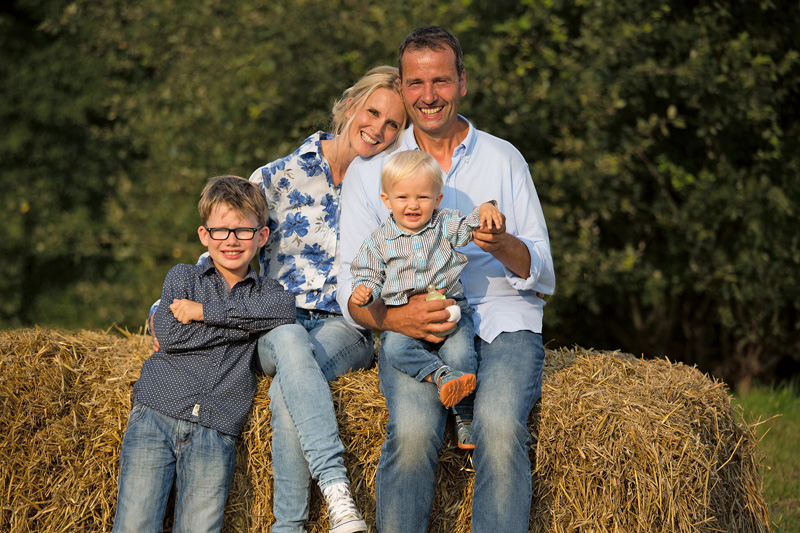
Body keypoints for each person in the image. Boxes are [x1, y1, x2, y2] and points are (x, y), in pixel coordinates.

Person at [149, 65, 406, 533]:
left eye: (394, 125)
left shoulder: (386, 187)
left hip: (344, 324)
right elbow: (228, 243)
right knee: (290, 345)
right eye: (373, 113)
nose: (380, 130)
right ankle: (334, 494)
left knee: (293, 378)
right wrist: (163, 307)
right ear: (350, 107)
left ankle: (292, 524)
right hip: (271, 322)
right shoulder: (276, 176)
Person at [337, 26, 556, 533]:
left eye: (440, 81)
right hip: (416, 323)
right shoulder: (374, 173)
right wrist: (396, 318)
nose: (428, 96)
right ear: (403, 85)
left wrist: (501, 244)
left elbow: (542, 273)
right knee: (413, 434)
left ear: (463, 82)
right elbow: (350, 287)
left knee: (500, 431)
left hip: (502, 317)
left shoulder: (504, 158)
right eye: (415, 83)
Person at [113, 176, 296, 533]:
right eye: (221, 231)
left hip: (217, 428)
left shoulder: (269, 292)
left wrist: (202, 313)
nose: (231, 241)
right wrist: (243, 324)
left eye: (243, 231)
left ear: (261, 236)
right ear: (204, 235)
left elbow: (284, 310)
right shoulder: (182, 277)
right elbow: (169, 333)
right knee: (134, 525)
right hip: (156, 413)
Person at [348, 149, 504, 450]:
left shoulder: (444, 224)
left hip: (450, 311)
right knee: (394, 348)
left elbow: (471, 224)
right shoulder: (378, 241)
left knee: (461, 352)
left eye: (422, 197)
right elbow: (369, 274)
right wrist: (364, 292)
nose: (413, 205)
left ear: (437, 200)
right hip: (403, 319)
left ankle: (465, 417)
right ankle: (442, 377)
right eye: (403, 197)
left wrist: (487, 208)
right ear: (386, 200)